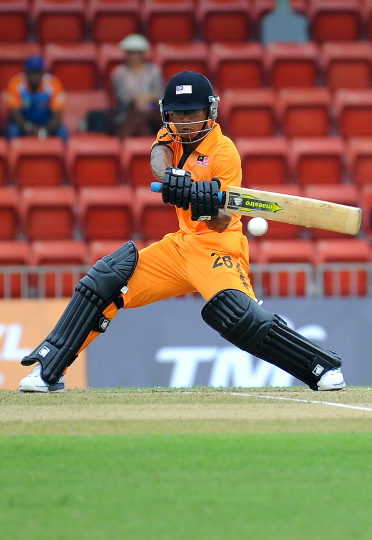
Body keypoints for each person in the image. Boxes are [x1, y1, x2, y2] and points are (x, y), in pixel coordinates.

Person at [18, 71, 345, 393]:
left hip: (217, 246)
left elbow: (221, 219)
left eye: (193, 113)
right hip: (179, 246)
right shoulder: (171, 137)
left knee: (239, 317)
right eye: (178, 114)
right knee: (108, 280)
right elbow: (158, 155)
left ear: (209, 112)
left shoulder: (224, 151)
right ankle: (49, 369)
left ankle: (320, 367)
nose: (186, 121)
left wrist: (200, 201)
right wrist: (171, 175)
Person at [111, 33, 164, 137]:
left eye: (136, 53)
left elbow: (160, 94)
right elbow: (122, 97)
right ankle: (144, 133)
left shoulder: (154, 71)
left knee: (149, 108)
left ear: (143, 54)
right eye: (130, 53)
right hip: (128, 109)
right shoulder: (118, 73)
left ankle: (127, 133)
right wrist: (136, 99)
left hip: (152, 106)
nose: (133, 56)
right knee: (139, 113)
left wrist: (148, 98)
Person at [5, 55, 68, 141]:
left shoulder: (54, 83)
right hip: (23, 124)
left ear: (43, 72)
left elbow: (57, 116)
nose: (34, 76)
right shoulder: (16, 83)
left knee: (62, 132)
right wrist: (30, 128)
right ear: (25, 73)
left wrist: (45, 131)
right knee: (12, 131)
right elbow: (14, 114)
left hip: (46, 123)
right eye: (31, 72)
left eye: (37, 72)